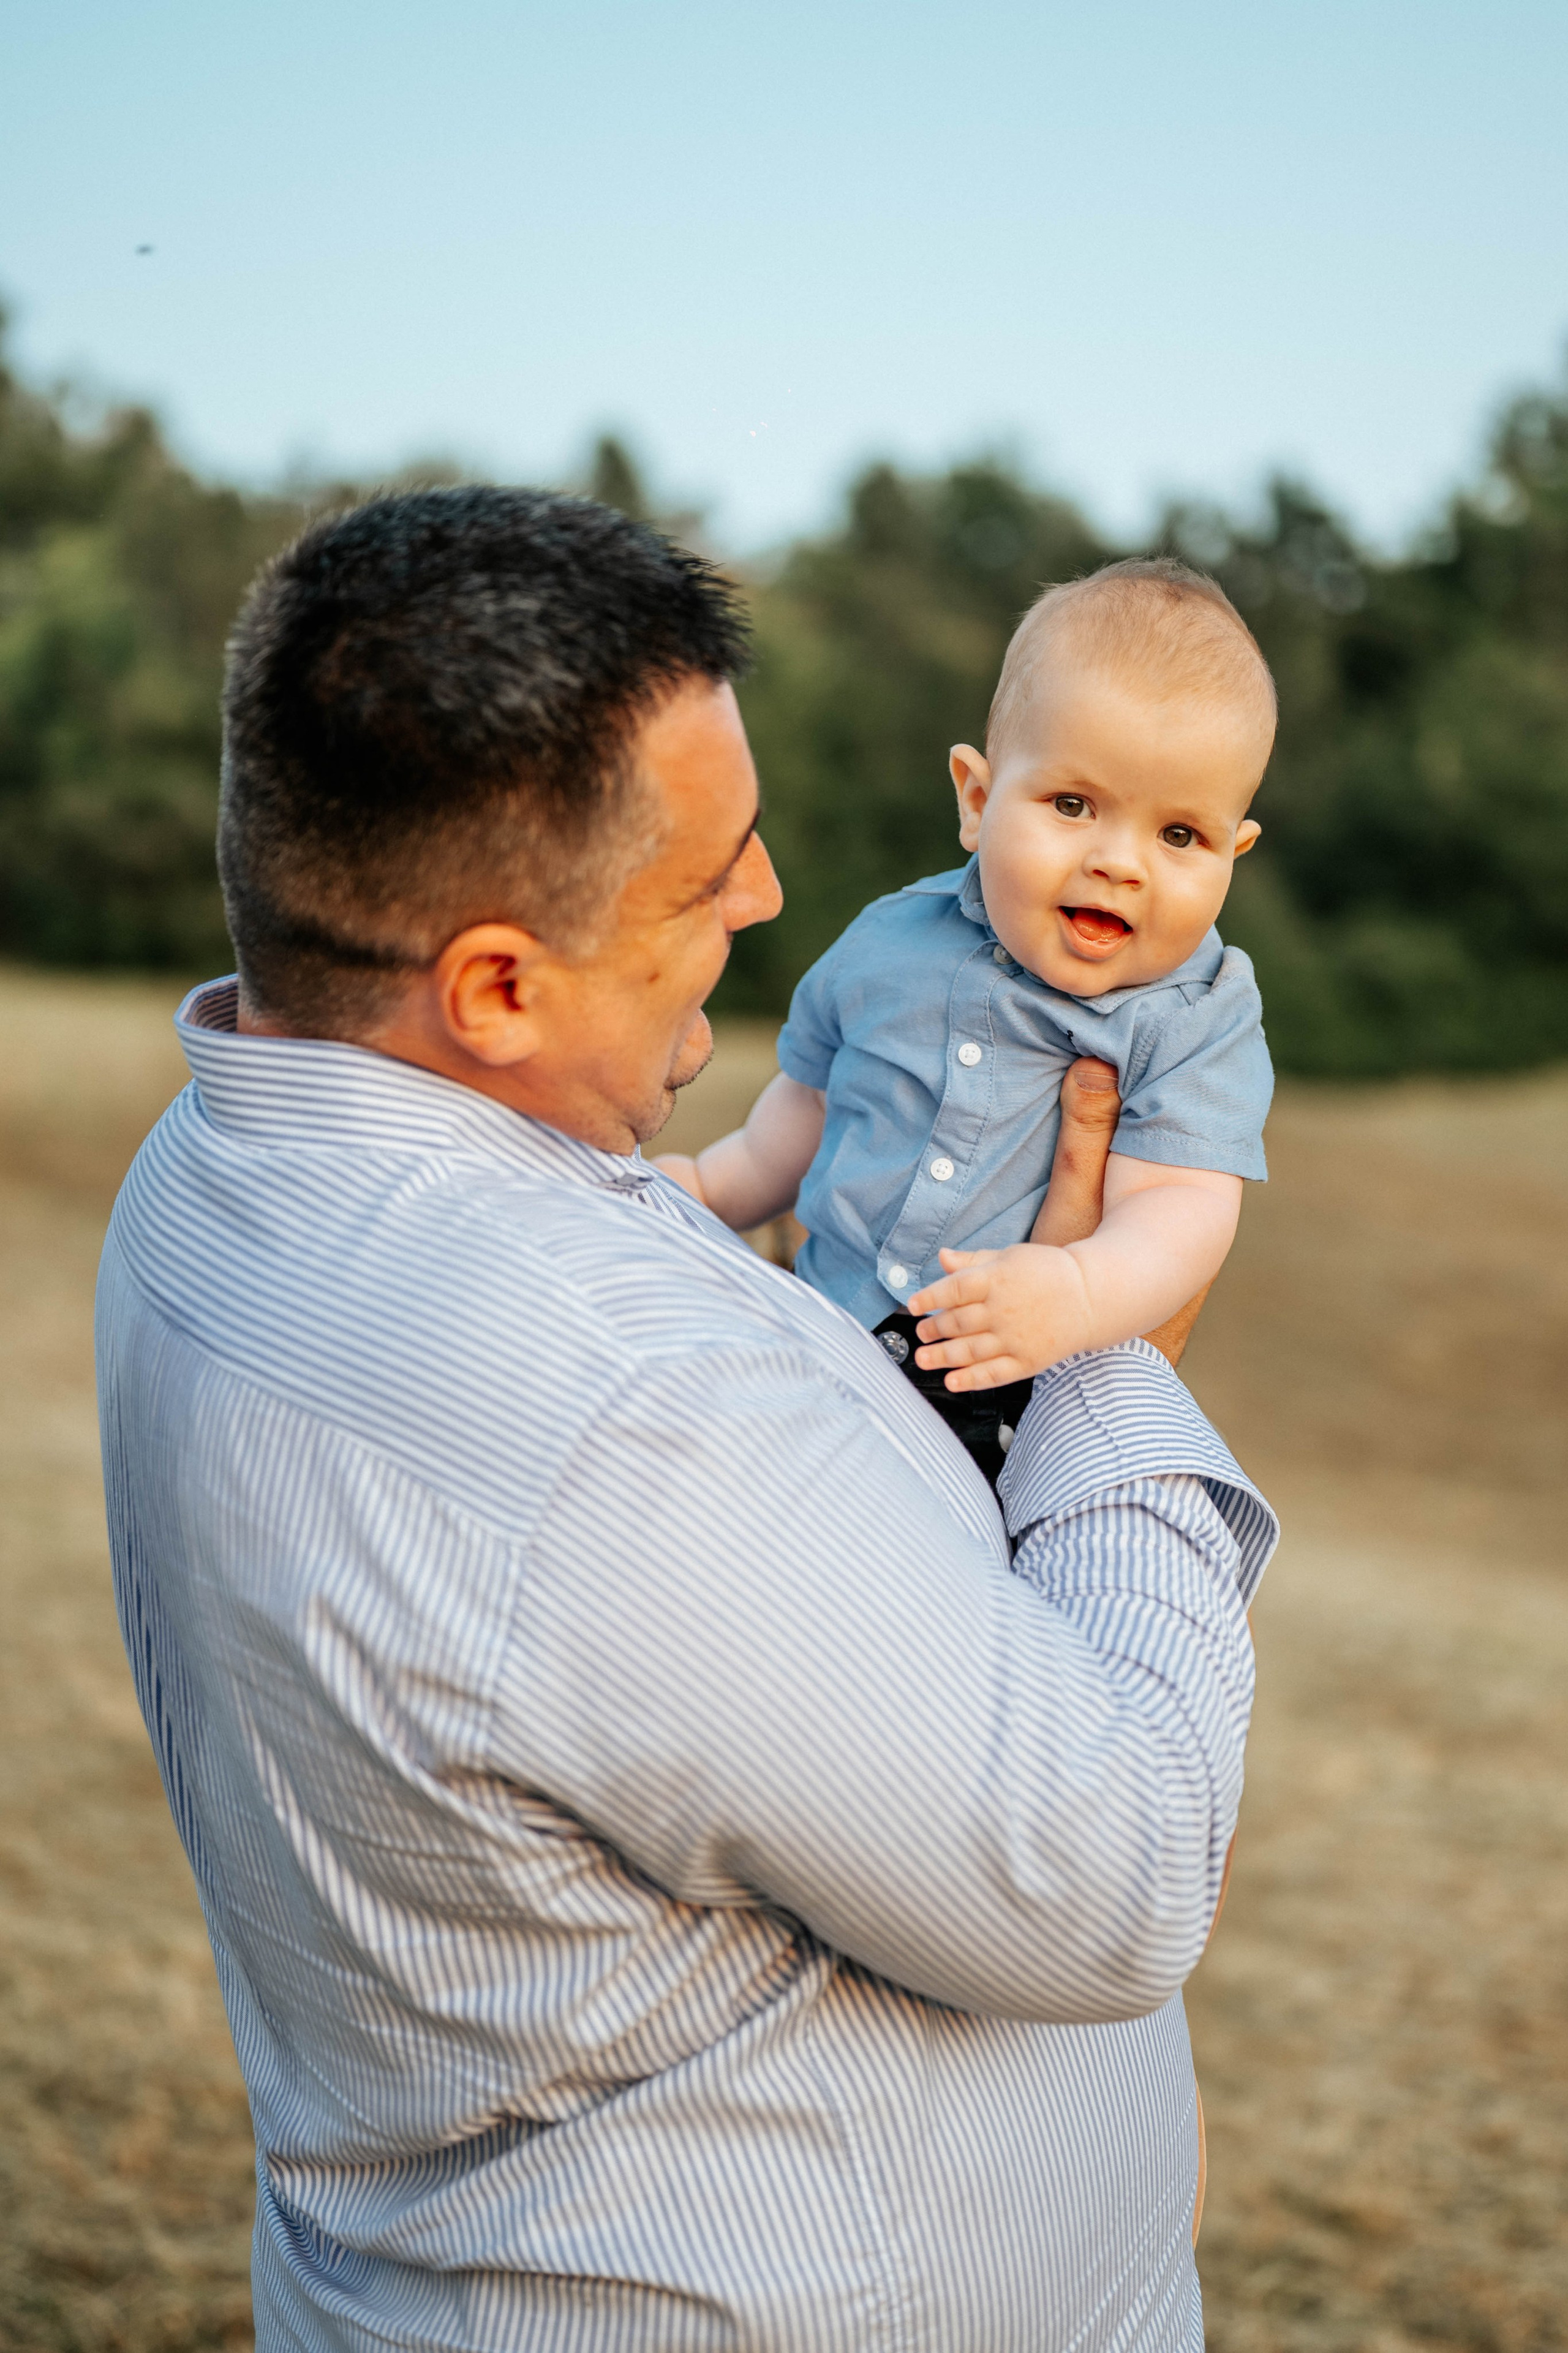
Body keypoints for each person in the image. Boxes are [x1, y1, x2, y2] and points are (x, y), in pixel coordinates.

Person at [96, 487, 1277, 2353]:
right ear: (496, 984)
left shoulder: (213, 1159)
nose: (772, 899)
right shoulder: (614, 1412)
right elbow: (1112, 1879)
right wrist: (1115, 1365)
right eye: (704, 874)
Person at [657, 558, 1274, 1481]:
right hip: (820, 1317)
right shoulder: (889, 941)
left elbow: (1180, 1208)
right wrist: (715, 1187)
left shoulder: (1196, 1015)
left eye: (1179, 835)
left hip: (1002, 1396)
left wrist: (1076, 1288)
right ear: (978, 800)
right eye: (1073, 805)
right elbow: (816, 1100)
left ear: (1236, 848)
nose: (1121, 863)